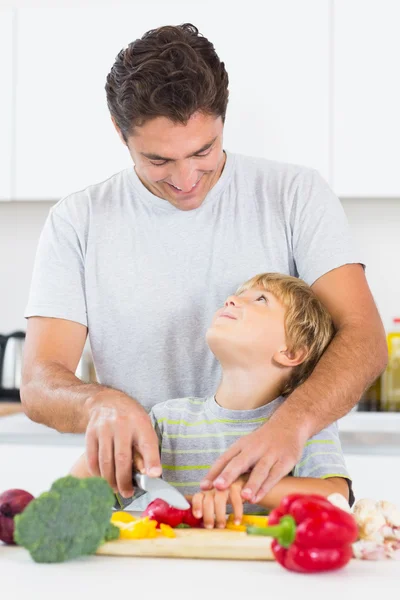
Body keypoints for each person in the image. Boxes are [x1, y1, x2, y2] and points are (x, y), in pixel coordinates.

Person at [21, 23, 387, 505]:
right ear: (119, 133)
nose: (185, 178)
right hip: (142, 525)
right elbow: (39, 379)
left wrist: (289, 427)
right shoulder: (78, 220)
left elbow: (363, 337)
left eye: (203, 151)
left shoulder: (294, 194)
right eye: (158, 160)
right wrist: (97, 404)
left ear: (223, 119)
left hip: (268, 523)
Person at [70, 273, 353, 529]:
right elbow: (75, 492)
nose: (231, 300)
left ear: (290, 352)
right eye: (236, 295)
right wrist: (109, 451)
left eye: (261, 299)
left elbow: (336, 497)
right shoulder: (168, 421)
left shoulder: (303, 425)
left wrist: (244, 487)